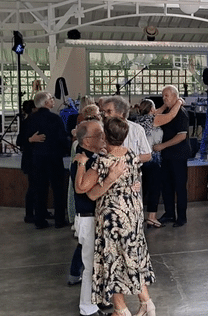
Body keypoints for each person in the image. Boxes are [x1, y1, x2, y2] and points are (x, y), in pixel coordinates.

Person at [74, 117, 156, 316]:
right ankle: (146, 303)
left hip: (112, 218)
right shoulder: (132, 155)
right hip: (133, 214)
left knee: (112, 261)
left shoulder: (103, 162)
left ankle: (121, 310)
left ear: (107, 137)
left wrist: (81, 165)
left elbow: (86, 190)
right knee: (132, 257)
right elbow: (135, 179)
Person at [72, 120, 124, 316]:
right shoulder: (84, 160)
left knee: (100, 264)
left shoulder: (93, 157)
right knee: (91, 266)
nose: (104, 138)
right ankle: (87, 307)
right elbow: (84, 189)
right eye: (99, 135)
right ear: (87, 140)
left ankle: (99, 298)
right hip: (88, 218)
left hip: (95, 217)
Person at [23, 91, 71, 229]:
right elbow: (62, 138)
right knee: (58, 190)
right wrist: (68, 146)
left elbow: (24, 139)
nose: (53, 100)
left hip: (37, 159)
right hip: (54, 158)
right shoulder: (55, 118)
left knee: (40, 189)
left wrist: (31, 141)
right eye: (51, 99)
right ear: (45, 103)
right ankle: (59, 220)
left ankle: (39, 220)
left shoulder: (31, 119)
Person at [136, 98, 183, 228]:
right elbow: (170, 115)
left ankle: (138, 217)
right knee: (154, 189)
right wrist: (178, 102)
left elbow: (158, 111)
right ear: (152, 110)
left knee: (142, 189)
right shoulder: (152, 120)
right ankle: (152, 217)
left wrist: (163, 106)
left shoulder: (139, 119)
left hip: (141, 159)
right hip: (152, 160)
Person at [153, 86, 191, 227]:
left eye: (167, 95)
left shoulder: (181, 113)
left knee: (179, 187)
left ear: (175, 96)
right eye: (163, 95)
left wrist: (162, 146)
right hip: (167, 155)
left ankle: (182, 217)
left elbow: (181, 136)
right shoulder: (168, 111)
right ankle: (169, 213)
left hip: (178, 155)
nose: (164, 98)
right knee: (167, 186)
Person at [100, 96, 151, 163]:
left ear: (121, 112)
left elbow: (147, 155)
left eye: (109, 111)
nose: (105, 115)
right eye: (104, 112)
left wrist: (129, 160)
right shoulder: (101, 128)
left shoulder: (136, 129)